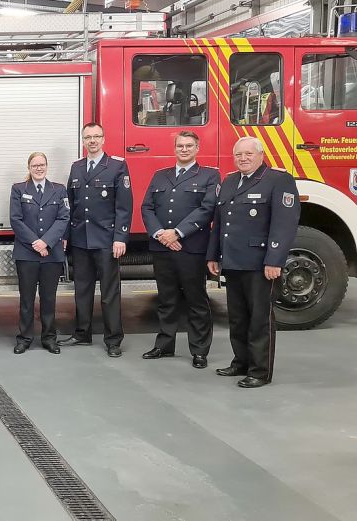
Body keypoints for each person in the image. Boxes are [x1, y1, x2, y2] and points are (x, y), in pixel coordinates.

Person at [207, 136, 300, 388]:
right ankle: (241, 362)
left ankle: (260, 371)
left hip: (260, 264)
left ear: (260, 155)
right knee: (237, 318)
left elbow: (283, 225)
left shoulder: (278, 181)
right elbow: (220, 224)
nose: (243, 158)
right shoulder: (228, 182)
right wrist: (213, 255)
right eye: (239, 154)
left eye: (249, 154)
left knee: (260, 319)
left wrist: (274, 260)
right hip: (234, 262)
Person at [140, 131, 219, 369]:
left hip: (190, 247)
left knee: (196, 299)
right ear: (174, 149)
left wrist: (177, 233)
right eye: (180, 146)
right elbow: (147, 207)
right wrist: (160, 235)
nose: (184, 149)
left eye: (189, 146)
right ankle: (164, 345)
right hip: (162, 247)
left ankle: (199, 350)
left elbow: (207, 209)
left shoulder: (209, 176)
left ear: (197, 148)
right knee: (166, 298)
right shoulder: (160, 176)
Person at [59, 122, 133, 358]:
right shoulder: (77, 167)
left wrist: (120, 237)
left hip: (106, 239)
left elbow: (124, 206)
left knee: (110, 292)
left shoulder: (117, 166)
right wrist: (66, 237)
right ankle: (82, 332)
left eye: (96, 136)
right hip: (81, 239)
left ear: (103, 139)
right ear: (83, 141)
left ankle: (113, 339)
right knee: (82, 289)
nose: (92, 141)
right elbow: (70, 205)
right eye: (88, 137)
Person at [9, 152, 69, 355]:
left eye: (42, 165)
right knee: (26, 298)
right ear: (29, 167)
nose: (39, 168)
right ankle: (25, 338)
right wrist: (35, 242)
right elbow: (15, 220)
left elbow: (63, 219)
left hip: (51, 254)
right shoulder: (18, 189)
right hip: (27, 253)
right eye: (35, 165)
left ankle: (49, 338)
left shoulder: (59, 190)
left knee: (49, 298)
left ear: (47, 166)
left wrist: (46, 242)